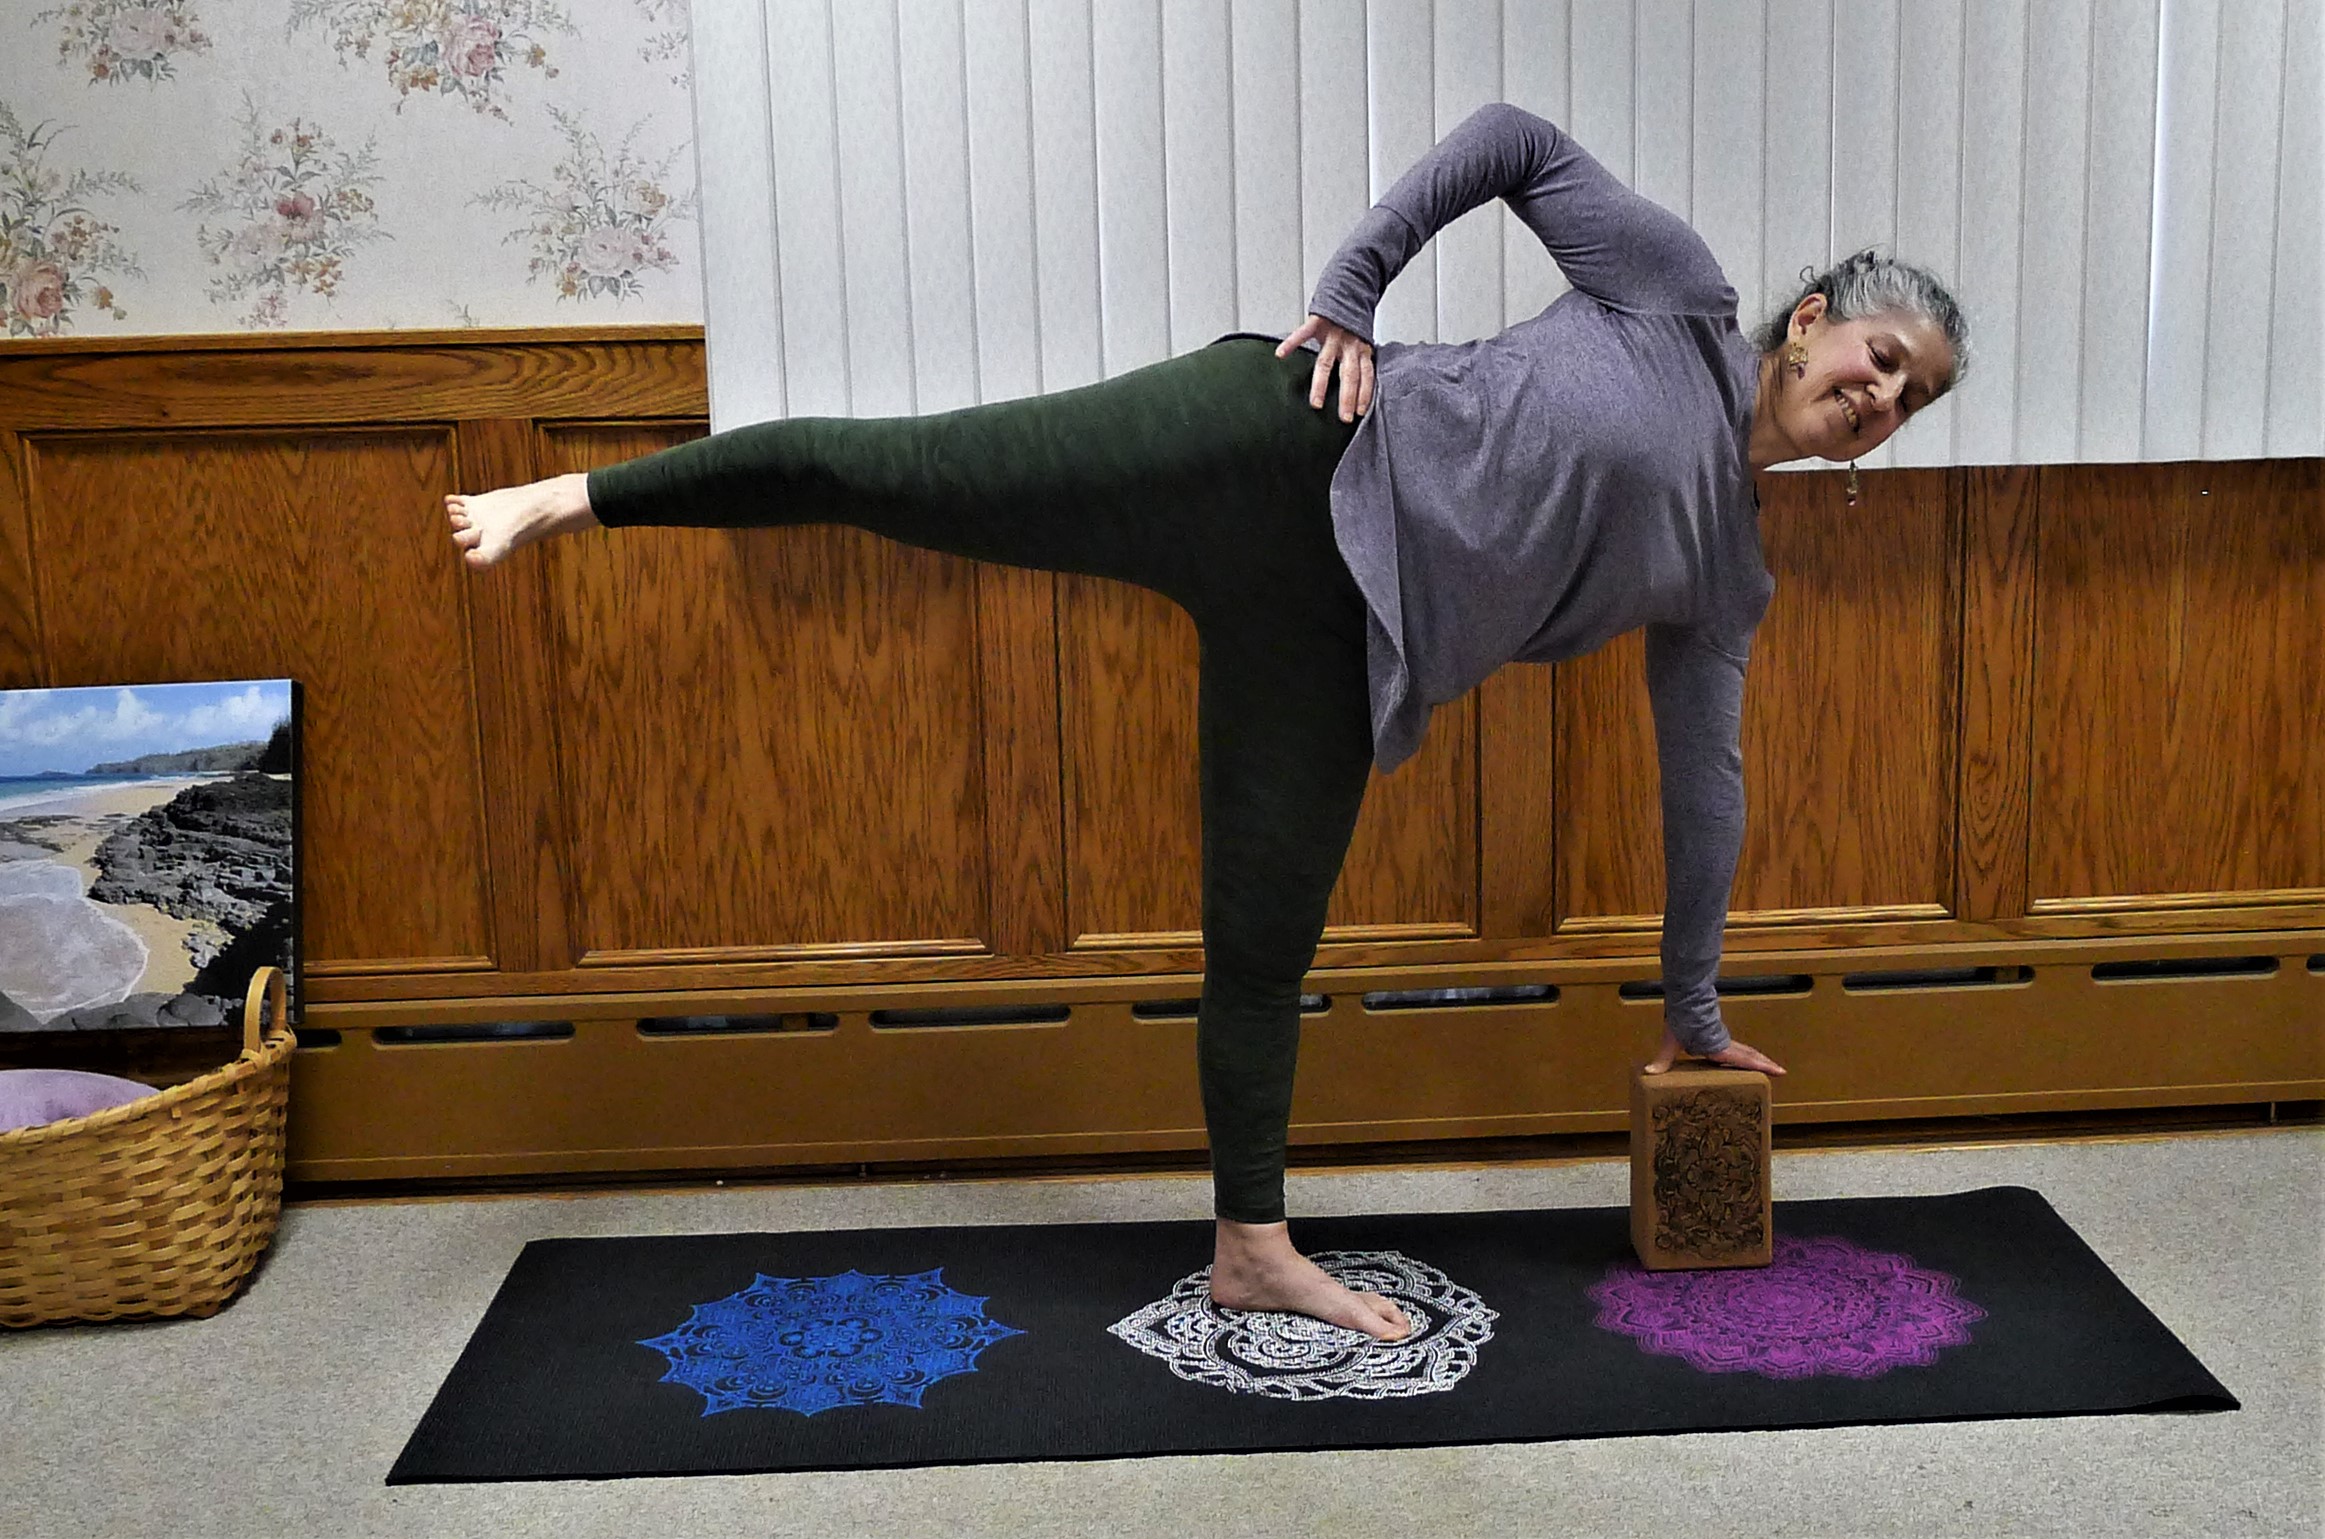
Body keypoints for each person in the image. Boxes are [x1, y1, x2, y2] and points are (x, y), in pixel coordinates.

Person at [445, 102, 1967, 1344]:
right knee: (915, 472)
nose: (1880, 396)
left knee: (1261, 940)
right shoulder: (1674, 294)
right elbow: (1514, 140)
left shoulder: (1727, 573)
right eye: (1879, 356)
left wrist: (1693, 1005)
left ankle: (1250, 1250)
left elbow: (1704, 781)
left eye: (1910, 399)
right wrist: (1352, 290)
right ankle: (572, 494)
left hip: (1340, 646)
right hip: (1282, 447)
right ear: (1810, 323)